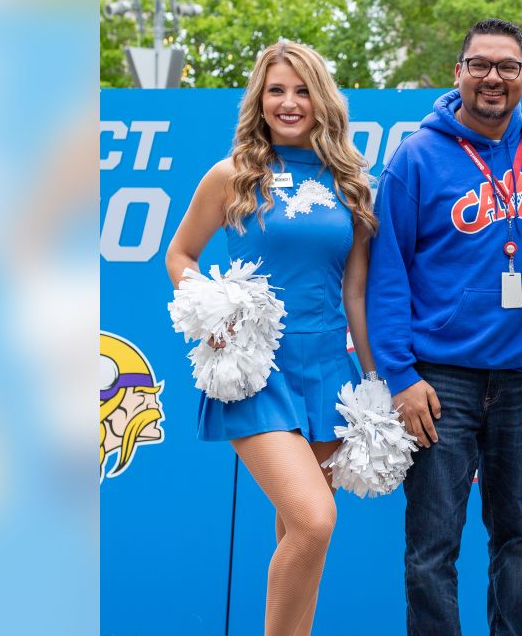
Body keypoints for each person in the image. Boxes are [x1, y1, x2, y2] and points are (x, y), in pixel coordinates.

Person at [367, 18, 522, 636]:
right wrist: (400, 377)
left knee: (518, 537)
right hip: (439, 381)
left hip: (521, 379)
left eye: (507, 67)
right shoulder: (417, 156)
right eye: (480, 65)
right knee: (432, 546)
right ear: (457, 73)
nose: (493, 77)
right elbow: (386, 273)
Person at [165, 40, 377, 636]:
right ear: (258, 100)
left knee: (296, 532)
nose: (289, 102)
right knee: (313, 520)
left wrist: (373, 382)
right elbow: (179, 255)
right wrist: (213, 306)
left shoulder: (352, 182)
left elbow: (355, 293)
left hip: (329, 372)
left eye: (302, 89)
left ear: (323, 99)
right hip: (254, 369)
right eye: (276, 90)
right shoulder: (232, 175)